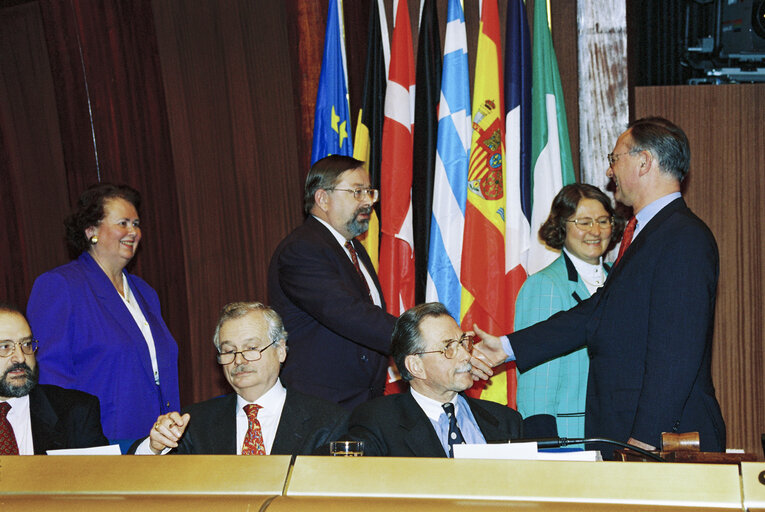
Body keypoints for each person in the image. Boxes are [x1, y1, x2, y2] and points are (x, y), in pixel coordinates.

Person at [473, 117, 726, 458]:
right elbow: (595, 313)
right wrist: (508, 346)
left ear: (644, 161)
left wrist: (645, 440)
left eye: (615, 158)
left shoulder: (683, 238)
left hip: (662, 441)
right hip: (628, 436)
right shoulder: (647, 236)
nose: (610, 171)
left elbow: (676, 353)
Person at [26, 183, 180, 442]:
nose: (133, 232)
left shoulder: (145, 292)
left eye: (136, 223)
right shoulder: (60, 286)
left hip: (159, 440)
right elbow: (51, 379)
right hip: (101, 441)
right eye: (123, 223)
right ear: (91, 231)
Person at [131, 302, 347, 455]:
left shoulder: (327, 422)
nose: (239, 360)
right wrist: (154, 447)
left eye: (251, 348)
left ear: (280, 350)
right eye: (229, 350)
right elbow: (138, 479)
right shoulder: (195, 424)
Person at [268, 155, 396, 409]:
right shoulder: (301, 250)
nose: (368, 202)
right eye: (357, 192)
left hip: (363, 403)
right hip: (321, 409)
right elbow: (350, 314)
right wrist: (421, 338)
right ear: (323, 198)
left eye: (369, 192)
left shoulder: (354, 250)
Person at [514, 184, 624, 440]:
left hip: (617, 432)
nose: (595, 231)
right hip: (570, 436)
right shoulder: (545, 286)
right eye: (583, 222)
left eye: (602, 221)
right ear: (562, 226)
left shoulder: (621, 282)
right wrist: (545, 444)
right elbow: (536, 382)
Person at [345, 302, 522, 457]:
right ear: (416, 366)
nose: (465, 356)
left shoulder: (507, 420)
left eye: (462, 343)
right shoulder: (379, 423)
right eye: (448, 347)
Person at [0, 304, 108, 455]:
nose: (20, 357)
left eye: (26, 344)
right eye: (5, 347)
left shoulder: (75, 412)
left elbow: (103, 475)